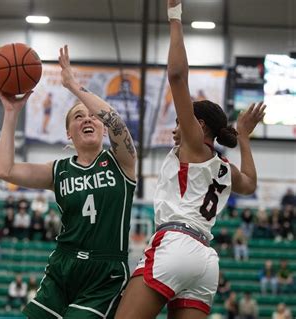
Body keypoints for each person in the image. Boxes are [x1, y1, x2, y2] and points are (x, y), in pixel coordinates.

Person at [116, 1, 265, 318]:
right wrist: (245, 138)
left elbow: (177, 76)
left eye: (179, 121)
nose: (174, 128)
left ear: (199, 126)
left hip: (176, 245)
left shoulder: (195, 146)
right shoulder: (224, 167)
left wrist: (174, 17)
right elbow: (250, 185)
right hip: (205, 261)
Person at [0, 44, 136, 318]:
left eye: (93, 117)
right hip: (63, 265)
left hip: (104, 272)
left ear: (102, 128)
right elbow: (5, 170)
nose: (88, 119)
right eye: (78, 116)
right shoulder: (58, 170)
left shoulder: (122, 162)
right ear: (69, 133)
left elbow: (116, 121)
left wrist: (73, 86)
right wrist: (11, 113)